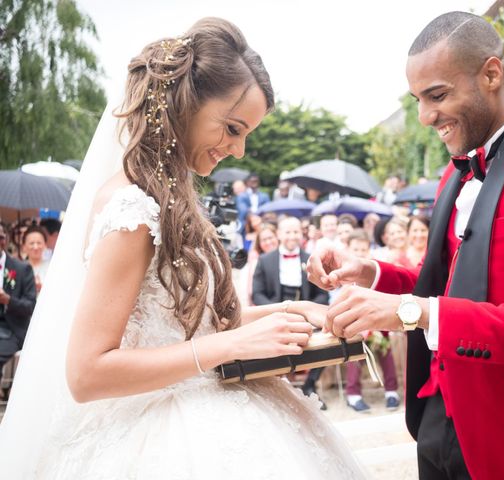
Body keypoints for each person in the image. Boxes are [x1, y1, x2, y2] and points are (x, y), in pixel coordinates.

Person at [0, 18, 365, 479]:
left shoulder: (170, 196)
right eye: (233, 128)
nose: (239, 150)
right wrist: (230, 344)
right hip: (154, 436)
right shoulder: (132, 209)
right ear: (184, 104)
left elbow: (179, 325)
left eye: (246, 133)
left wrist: (288, 312)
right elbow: (87, 373)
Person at [307, 12, 504, 480]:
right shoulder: (454, 173)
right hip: (436, 418)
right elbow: (458, 284)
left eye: (437, 95)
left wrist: (411, 312)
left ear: (491, 74)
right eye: (418, 100)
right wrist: (373, 274)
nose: (425, 116)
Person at [251, 216, 330, 408]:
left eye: (295, 231)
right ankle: (281, 388)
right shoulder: (264, 260)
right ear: (279, 234)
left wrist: (307, 312)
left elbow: (322, 295)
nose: (292, 236)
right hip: (275, 316)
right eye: (287, 232)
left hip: (306, 317)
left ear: (301, 234)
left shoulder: (311, 259)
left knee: (328, 339)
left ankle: (310, 385)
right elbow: (258, 293)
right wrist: (276, 312)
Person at [343, 229, 400, 413]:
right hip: (354, 320)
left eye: (363, 250)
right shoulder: (343, 273)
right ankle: (353, 393)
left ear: (369, 250)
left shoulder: (373, 270)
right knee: (356, 351)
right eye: (356, 249)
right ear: (348, 250)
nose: (359, 253)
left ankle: (391, 391)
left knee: (386, 349)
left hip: (376, 318)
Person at [0, 224, 37, 379]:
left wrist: (8, 300)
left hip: (11, 330)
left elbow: (30, 306)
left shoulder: (22, 269)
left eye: (0, 237)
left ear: (6, 239)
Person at [21, 225, 50, 294]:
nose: (35, 247)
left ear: (45, 245)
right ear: (24, 247)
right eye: (31, 243)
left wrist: (42, 288)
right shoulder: (19, 267)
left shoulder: (52, 266)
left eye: (39, 243)